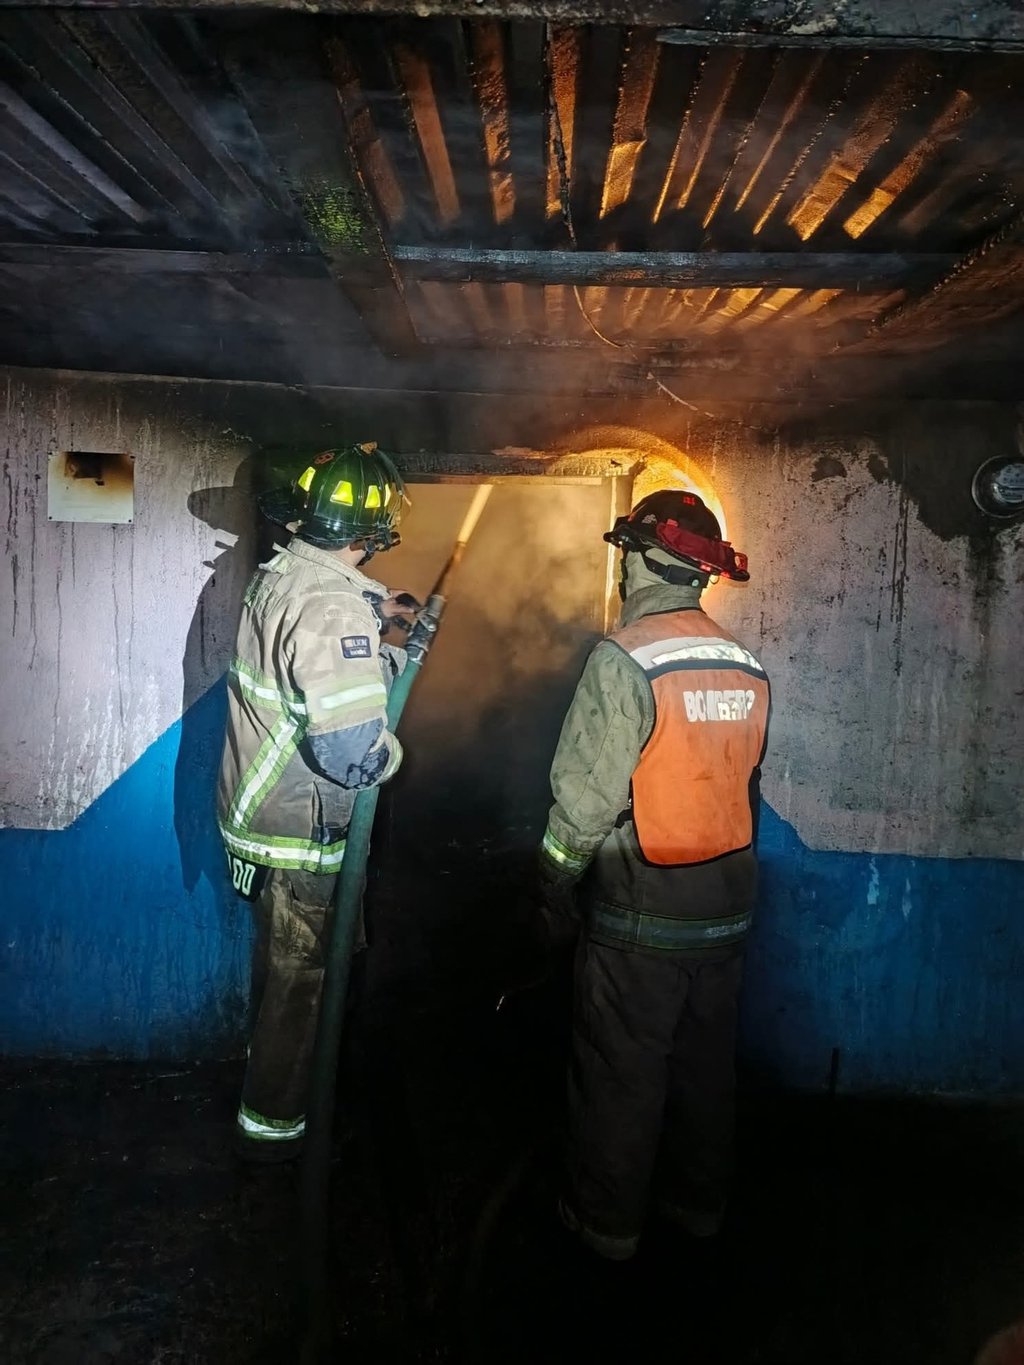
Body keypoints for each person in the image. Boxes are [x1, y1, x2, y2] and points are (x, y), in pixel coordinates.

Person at [537, 489, 770, 1260]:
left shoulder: (625, 658)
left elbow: (582, 801)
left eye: (625, 552)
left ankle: (605, 1235)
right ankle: (698, 1215)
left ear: (640, 557)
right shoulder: (745, 665)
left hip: (640, 923)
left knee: (620, 1080)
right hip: (728, 920)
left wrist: (551, 888)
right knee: (707, 1078)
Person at [218, 443, 417, 1162]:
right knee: (302, 988)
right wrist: (393, 740)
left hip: (259, 812)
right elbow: (350, 753)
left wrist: (384, 631)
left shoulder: (288, 574)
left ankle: (280, 1098)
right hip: (300, 830)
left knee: (282, 978)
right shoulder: (336, 610)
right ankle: (276, 1137)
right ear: (371, 529)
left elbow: (318, 669)